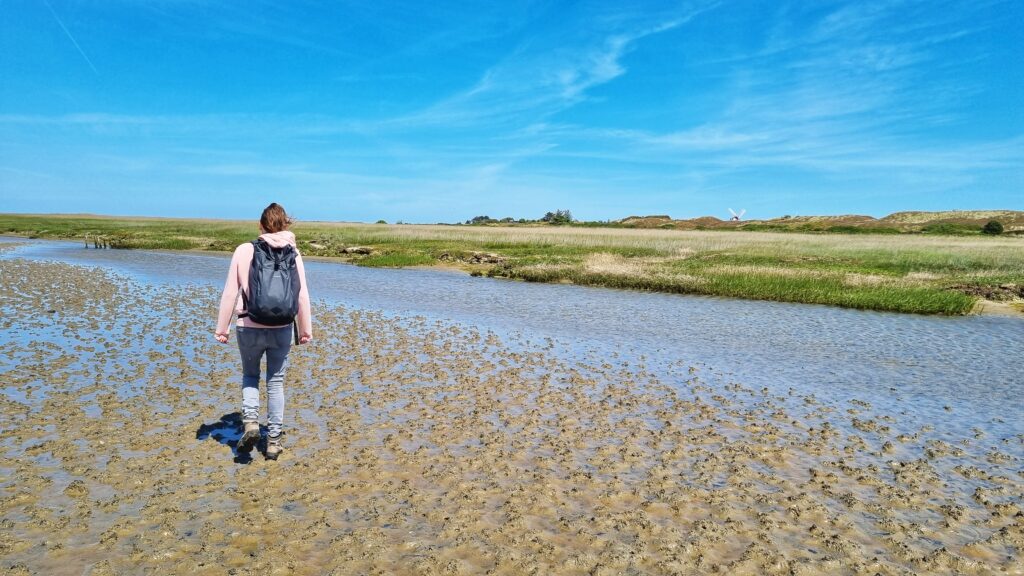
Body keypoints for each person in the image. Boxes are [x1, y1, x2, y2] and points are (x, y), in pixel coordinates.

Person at [215, 203, 312, 459]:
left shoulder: (244, 250)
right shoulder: (294, 253)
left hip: (248, 326)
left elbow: (229, 292)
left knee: (250, 376)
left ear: (260, 225)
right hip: (281, 329)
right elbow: (302, 296)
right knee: (276, 381)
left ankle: (250, 424)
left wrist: (221, 328)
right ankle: (274, 442)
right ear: (286, 224)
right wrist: (305, 330)